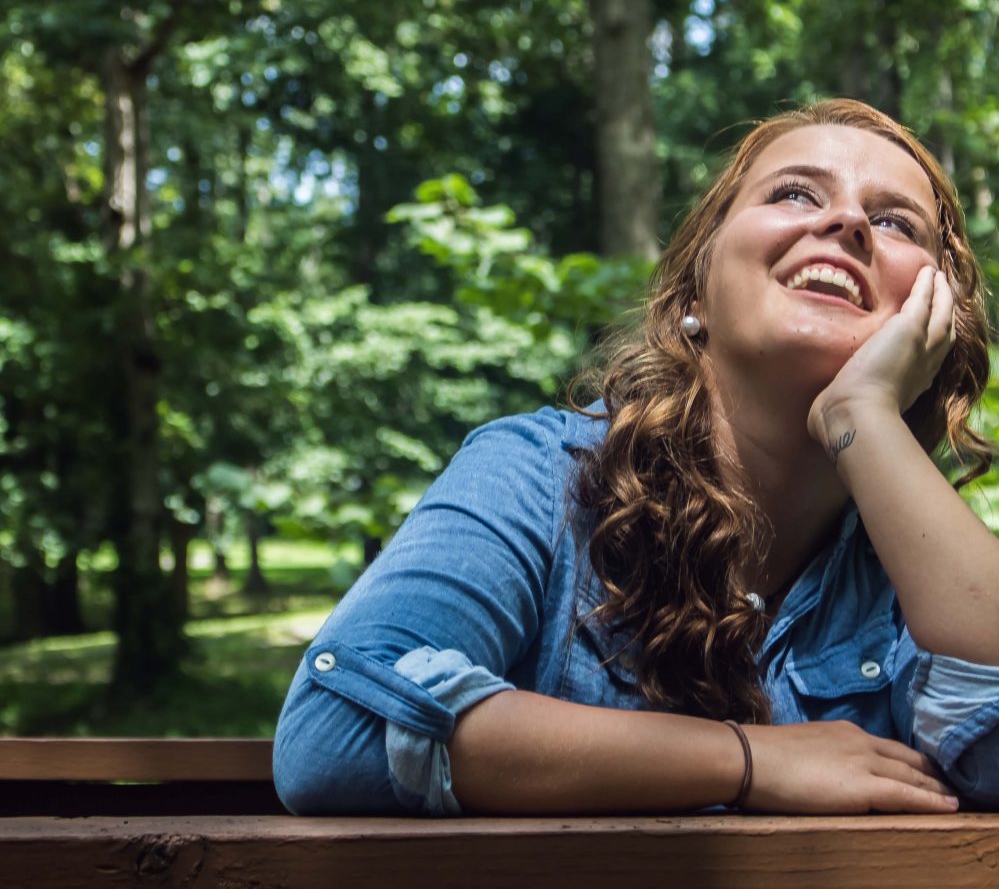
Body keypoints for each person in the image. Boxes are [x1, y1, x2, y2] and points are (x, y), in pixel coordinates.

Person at [273, 99, 999, 817]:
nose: (843, 222)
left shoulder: (918, 574)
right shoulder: (539, 474)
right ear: (696, 292)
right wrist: (745, 758)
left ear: (934, 320)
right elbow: (336, 730)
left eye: (894, 221)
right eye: (794, 193)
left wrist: (861, 417)